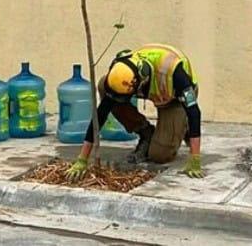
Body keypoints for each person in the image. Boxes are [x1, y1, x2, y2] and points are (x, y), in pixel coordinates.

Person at [65, 43, 204, 180]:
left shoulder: (174, 72)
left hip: (175, 100)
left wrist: (195, 158)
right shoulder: (125, 70)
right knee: (104, 86)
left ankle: (182, 126)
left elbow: (194, 112)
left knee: (160, 155)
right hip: (155, 91)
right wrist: (82, 158)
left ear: (142, 80)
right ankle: (146, 133)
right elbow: (101, 113)